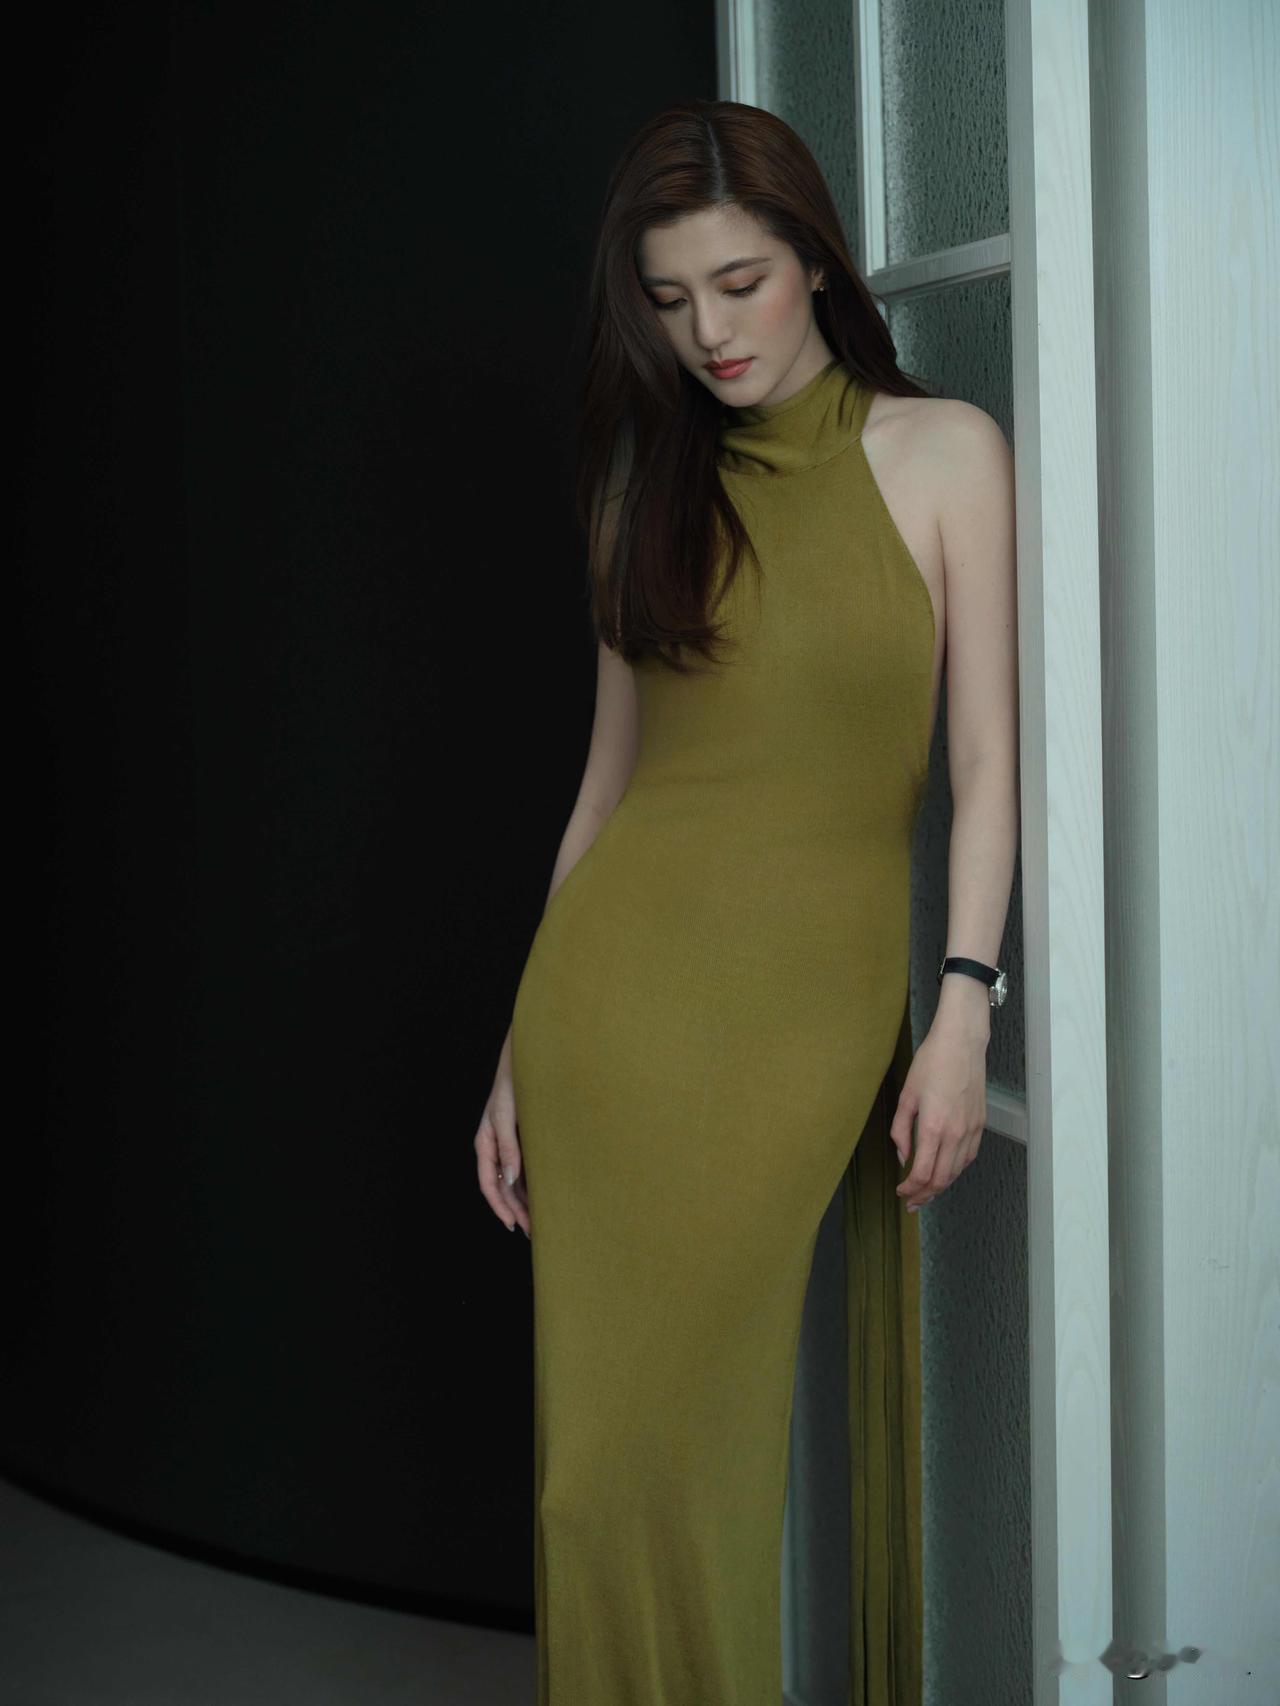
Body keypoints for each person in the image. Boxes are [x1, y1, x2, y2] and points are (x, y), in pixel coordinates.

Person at [473, 97, 1018, 1706]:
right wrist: (515, 1050)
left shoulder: (946, 454)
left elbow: (987, 760)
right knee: (596, 1477)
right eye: (668, 299)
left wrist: (966, 999)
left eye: (739, 283)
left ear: (816, 263)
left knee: (697, 1455)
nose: (707, 331)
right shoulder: (641, 482)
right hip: (610, 1010)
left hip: (797, 1023)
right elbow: (606, 786)